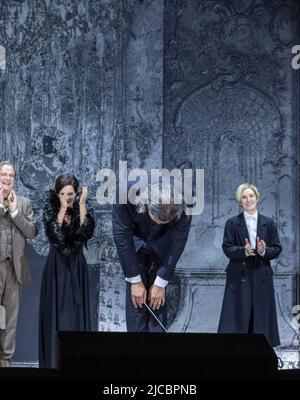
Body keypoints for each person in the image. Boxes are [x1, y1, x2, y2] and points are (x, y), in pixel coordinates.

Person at [112, 182, 192, 332]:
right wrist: (135, 281)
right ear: (146, 202)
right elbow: (122, 236)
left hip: (163, 245)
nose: (157, 224)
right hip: (134, 245)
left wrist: (161, 282)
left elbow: (179, 240)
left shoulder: (186, 197)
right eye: (155, 220)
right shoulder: (124, 192)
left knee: (157, 301)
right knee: (137, 301)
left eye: (163, 222)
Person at [39, 174, 95, 368]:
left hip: (77, 265)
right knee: (56, 312)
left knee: (76, 313)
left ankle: (78, 362)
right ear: (57, 193)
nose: (67, 197)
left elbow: (85, 232)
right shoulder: (51, 208)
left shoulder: (84, 206)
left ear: (76, 193)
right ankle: (54, 363)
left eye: (70, 193)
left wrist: (81, 206)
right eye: (63, 193)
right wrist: (63, 208)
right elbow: (55, 235)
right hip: (57, 266)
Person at [218, 183, 282, 346]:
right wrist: (244, 251)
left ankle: (260, 353)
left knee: (260, 316)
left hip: (261, 273)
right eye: (244, 197)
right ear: (240, 201)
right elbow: (227, 248)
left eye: (251, 196)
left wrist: (263, 250)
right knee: (238, 316)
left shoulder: (269, 223)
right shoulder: (232, 223)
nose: (248, 200)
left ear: (257, 198)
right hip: (240, 275)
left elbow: (277, 248)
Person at [0, 160, 38, 367]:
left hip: (15, 269)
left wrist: (15, 212)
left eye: (11, 175)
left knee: (10, 319)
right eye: (3, 174)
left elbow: (32, 232)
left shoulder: (24, 203)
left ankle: (5, 362)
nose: (7, 179)